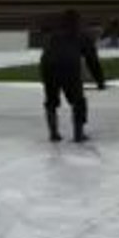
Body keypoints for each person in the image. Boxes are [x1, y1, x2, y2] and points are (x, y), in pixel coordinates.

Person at [41, 10, 105, 143]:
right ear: (78, 22)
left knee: (51, 101)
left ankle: (53, 133)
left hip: (48, 66)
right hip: (69, 66)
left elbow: (46, 52)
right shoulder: (82, 36)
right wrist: (100, 82)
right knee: (78, 101)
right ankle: (78, 134)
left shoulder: (54, 35)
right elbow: (93, 61)